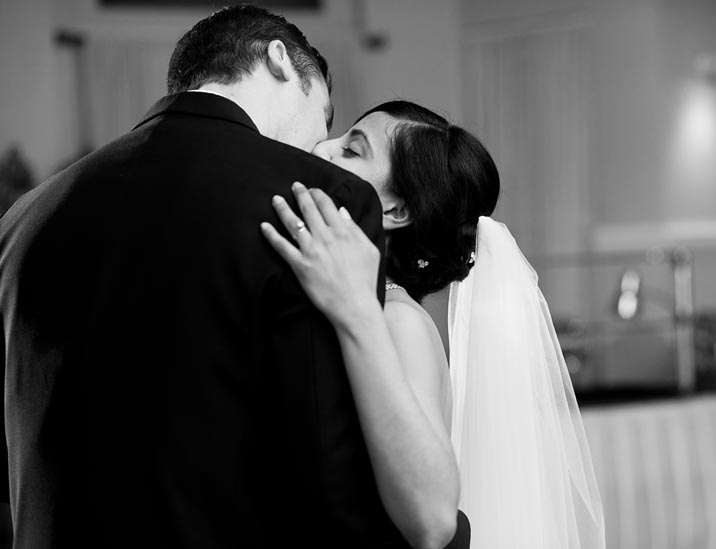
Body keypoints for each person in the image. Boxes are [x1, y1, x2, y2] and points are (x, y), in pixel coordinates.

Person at [0, 6, 464, 548]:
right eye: (328, 116)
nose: (320, 143)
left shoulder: (24, 217)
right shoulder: (304, 199)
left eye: (349, 145)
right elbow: (328, 482)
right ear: (279, 60)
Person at [261, 101, 606, 548]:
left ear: (396, 210)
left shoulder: (398, 321)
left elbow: (434, 521)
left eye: (352, 150)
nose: (324, 146)